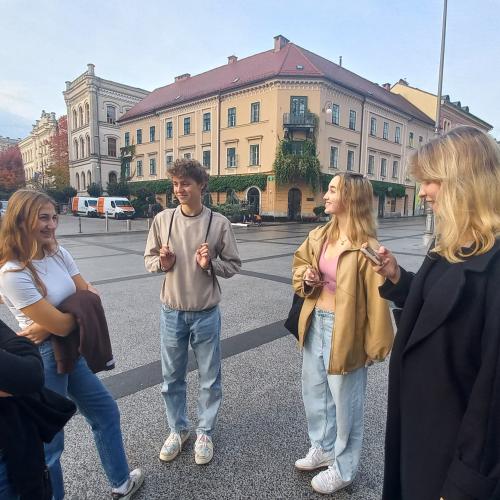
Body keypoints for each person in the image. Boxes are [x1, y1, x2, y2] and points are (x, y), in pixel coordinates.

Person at [371, 126, 500, 500]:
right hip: (419, 433)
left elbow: (492, 399)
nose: (423, 191)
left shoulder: (493, 267)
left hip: (451, 455)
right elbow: (436, 309)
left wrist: (465, 485)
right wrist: (397, 277)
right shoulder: (449, 247)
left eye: (432, 181)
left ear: (466, 182)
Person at [0, 189, 144, 500]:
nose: (52, 225)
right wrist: (59, 317)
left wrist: (48, 322)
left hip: (68, 350)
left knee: (105, 412)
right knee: (51, 442)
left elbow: (90, 293)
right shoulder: (12, 273)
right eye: (43, 218)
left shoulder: (57, 253)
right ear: (21, 219)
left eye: (54, 217)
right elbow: (66, 320)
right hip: (43, 359)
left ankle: (121, 482)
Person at [291, 172, 394, 495]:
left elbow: (379, 303)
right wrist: (307, 276)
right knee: (315, 393)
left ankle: (345, 468)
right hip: (315, 323)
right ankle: (322, 447)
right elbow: (299, 265)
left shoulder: (368, 248)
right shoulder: (320, 235)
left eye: (333, 190)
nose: (326, 195)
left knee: (346, 404)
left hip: (345, 330)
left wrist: (374, 348)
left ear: (351, 198)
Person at [145, 158, 241, 465]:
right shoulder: (163, 220)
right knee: (171, 378)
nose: (179, 190)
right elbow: (149, 260)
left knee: (210, 377)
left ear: (202, 185)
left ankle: (204, 433)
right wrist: (163, 262)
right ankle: (178, 429)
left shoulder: (219, 223)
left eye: (185, 183)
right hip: (172, 311)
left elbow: (234, 265)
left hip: (205, 312)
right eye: (175, 184)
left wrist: (210, 264)